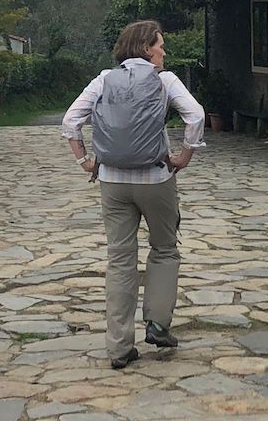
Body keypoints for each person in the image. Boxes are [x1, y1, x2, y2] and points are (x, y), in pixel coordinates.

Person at [62, 20, 206, 370]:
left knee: (120, 259)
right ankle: (157, 323)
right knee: (165, 247)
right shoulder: (165, 80)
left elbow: (70, 121)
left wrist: (84, 160)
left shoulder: (103, 79)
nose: (164, 52)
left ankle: (119, 347)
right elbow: (196, 115)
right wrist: (184, 155)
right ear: (146, 48)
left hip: (111, 180)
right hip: (156, 177)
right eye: (161, 45)